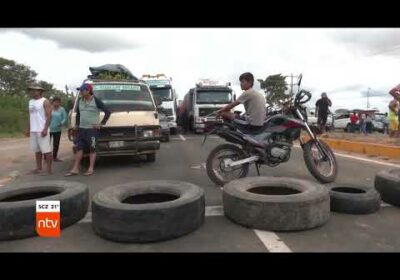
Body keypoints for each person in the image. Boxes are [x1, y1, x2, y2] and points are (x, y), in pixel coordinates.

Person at [65, 83, 111, 177]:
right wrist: (77, 125)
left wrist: (101, 124)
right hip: (81, 130)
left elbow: (107, 112)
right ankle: (75, 169)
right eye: (80, 90)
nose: (81, 92)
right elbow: (78, 114)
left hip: (92, 130)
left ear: (88, 91)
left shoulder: (96, 100)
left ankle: (90, 168)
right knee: (79, 148)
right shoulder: (80, 101)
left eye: (82, 90)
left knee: (92, 149)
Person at [25, 84, 53, 175]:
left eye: (35, 90)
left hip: (42, 129)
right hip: (33, 129)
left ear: (40, 91)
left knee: (46, 150)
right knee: (37, 150)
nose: (33, 92)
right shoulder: (30, 101)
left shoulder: (45, 101)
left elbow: (49, 116)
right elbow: (30, 115)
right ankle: (39, 168)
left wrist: (45, 128)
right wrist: (28, 128)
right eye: (31, 90)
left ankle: (48, 170)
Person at [49, 97, 67, 162]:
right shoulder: (49, 108)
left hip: (57, 129)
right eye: (55, 102)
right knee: (47, 144)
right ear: (52, 102)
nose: (56, 103)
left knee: (56, 144)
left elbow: (65, 118)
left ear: (60, 103)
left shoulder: (62, 109)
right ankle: (46, 157)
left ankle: (54, 157)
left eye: (58, 102)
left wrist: (61, 123)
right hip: (49, 129)